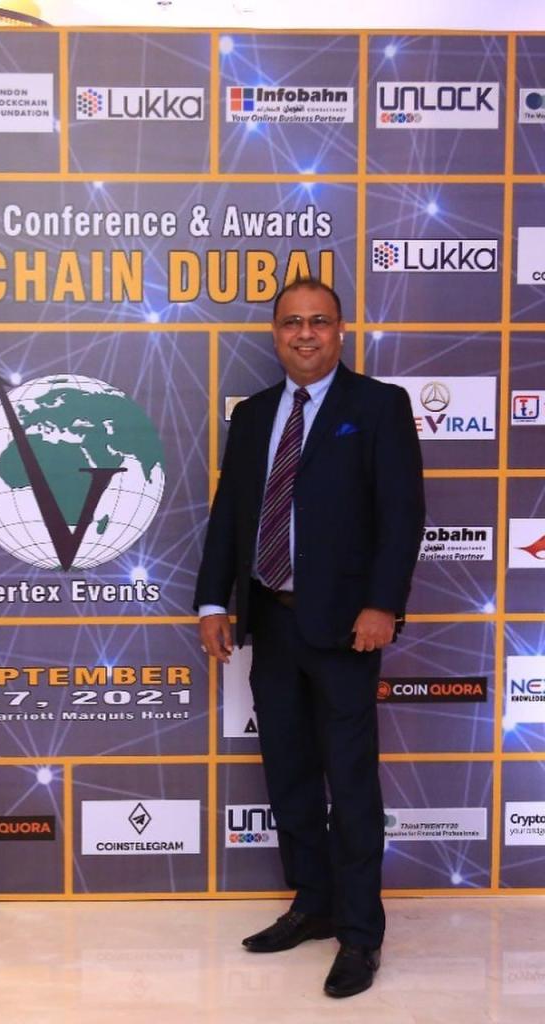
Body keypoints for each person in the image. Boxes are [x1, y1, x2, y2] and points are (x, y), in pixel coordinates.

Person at [194, 277, 424, 998]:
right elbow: (231, 514)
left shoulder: (379, 406)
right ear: (275, 333)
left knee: (349, 783)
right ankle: (313, 902)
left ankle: (359, 934)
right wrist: (213, 601)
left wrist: (383, 605)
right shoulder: (254, 414)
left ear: (341, 330)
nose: (304, 333)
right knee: (290, 774)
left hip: (347, 628)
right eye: (292, 322)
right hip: (271, 619)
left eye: (318, 321)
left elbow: (402, 515)